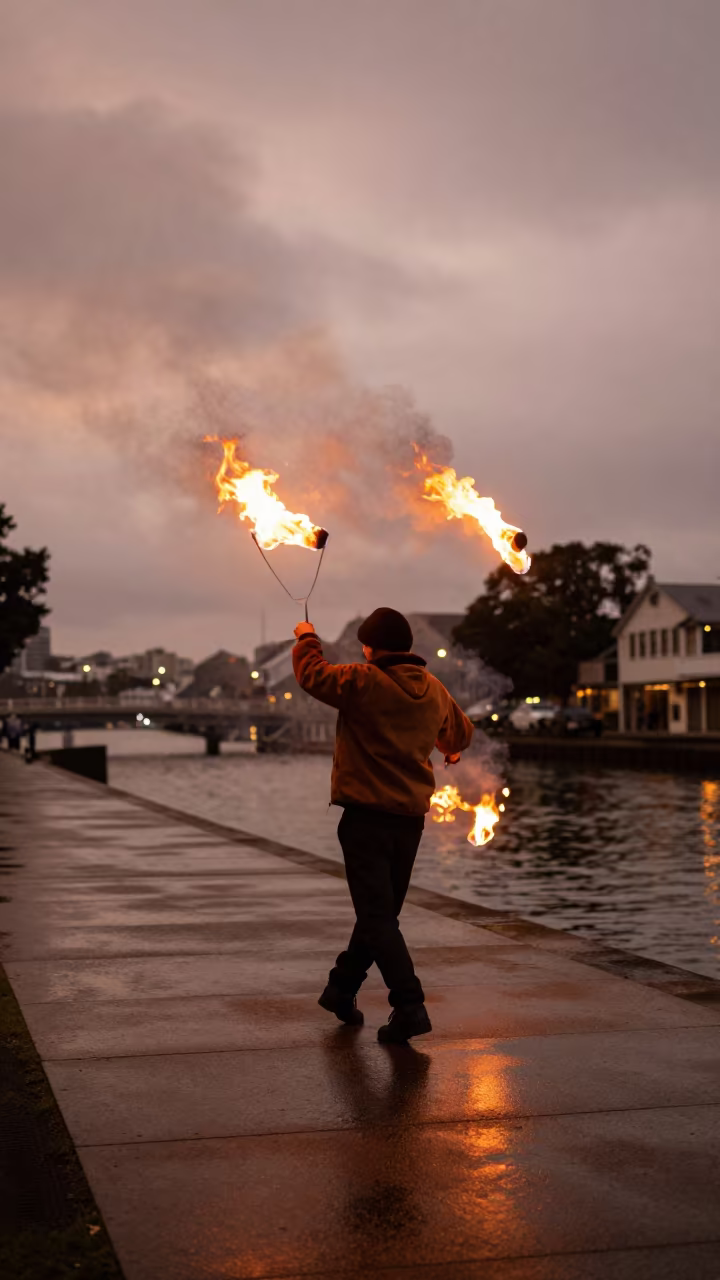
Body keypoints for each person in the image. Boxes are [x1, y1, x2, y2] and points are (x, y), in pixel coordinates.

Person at [293, 607, 474, 1043]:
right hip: (410, 821)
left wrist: (306, 638)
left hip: (366, 818)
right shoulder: (434, 689)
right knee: (381, 915)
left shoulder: (362, 679)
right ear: (409, 647)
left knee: (376, 917)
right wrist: (448, 749)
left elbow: (313, 676)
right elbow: (459, 736)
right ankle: (341, 989)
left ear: (369, 648)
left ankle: (409, 1006)